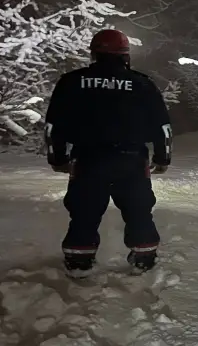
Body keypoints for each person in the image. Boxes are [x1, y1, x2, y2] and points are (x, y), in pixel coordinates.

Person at [43, 28, 172, 278]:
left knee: (84, 211)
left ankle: (79, 261)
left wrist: (57, 158)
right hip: (131, 160)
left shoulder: (72, 81)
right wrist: (162, 158)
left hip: (88, 159)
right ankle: (144, 257)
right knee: (138, 209)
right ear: (125, 55)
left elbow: (53, 126)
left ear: (94, 53)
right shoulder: (142, 83)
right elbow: (162, 127)